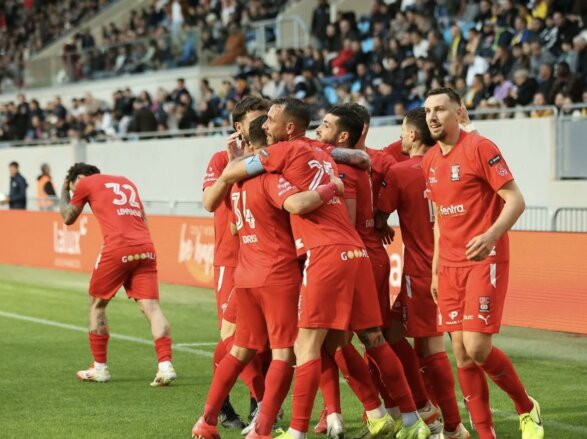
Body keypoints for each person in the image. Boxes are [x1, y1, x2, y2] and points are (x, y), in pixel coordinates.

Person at [203, 98, 424, 439]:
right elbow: (361, 159)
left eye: (271, 119)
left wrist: (235, 163)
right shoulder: (321, 150)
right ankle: (412, 420)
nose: (266, 124)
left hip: (320, 254)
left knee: (304, 347)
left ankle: (295, 431)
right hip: (356, 250)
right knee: (371, 338)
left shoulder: (280, 153)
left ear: (289, 127)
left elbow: (237, 178)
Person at [192, 115, 344, 439]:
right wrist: (332, 186)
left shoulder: (236, 184)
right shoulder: (272, 178)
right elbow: (296, 204)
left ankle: (206, 421)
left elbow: (234, 228)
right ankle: (263, 428)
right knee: (284, 354)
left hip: (245, 275)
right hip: (276, 274)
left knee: (239, 350)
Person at [422, 88, 543, 439]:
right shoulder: (430, 161)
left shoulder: (480, 148)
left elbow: (515, 200)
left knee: (477, 347)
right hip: (449, 268)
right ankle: (486, 434)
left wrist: (490, 236)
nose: (432, 116)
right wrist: (435, 270)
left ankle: (526, 407)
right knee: (461, 353)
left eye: (440, 109)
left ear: (459, 113)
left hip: (484, 259)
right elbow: (440, 221)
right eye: (427, 111)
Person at [313, 105, 430, 439]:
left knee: (334, 341)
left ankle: (389, 410)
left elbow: (347, 221)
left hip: (352, 258)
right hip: (365, 255)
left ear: (353, 131)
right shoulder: (356, 161)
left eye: (325, 125)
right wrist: (379, 218)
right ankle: (410, 414)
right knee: (370, 338)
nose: (318, 130)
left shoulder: (356, 166)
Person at [375, 107, 470, 439]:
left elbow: (379, 214)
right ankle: (424, 408)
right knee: (391, 331)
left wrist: (381, 223)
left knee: (432, 347)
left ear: (413, 135)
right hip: (451, 262)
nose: (400, 137)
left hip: (423, 271)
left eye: (403, 131)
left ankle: (452, 425)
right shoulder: (447, 165)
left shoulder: (401, 171)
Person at [59, 163, 176, 386]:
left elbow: (68, 217)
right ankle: (165, 365)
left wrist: (64, 190)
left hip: (118, 247)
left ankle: (100, 368)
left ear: (78, 179)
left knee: (97, 305)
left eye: (74, 188)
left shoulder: (85, 183)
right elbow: (143, 219)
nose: (76, 193)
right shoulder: (125, 181)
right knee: (152, 307)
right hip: (146, 247)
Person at [202, 96, 270, 429]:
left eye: (265, 119)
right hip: (231, 259)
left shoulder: (273, 156)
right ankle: (258, 403)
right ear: (238, 127)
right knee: (236, 337)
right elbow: (209, 202)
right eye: (255, 121)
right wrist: (233, 167)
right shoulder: (220, 159)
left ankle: (244, 404)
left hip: (266, 258)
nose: (262, 126)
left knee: (267, 340)